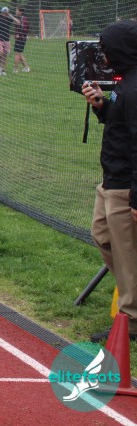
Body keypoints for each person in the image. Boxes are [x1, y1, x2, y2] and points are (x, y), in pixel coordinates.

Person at [83, 20, 137, 342]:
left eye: (106, 49)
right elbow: (118, 121)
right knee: (102, 236)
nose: (102, 56)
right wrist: (101, 106)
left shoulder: (133, 89)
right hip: (110, 178)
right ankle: (133, 295)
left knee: (128, 254)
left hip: (125, 186)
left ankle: (132, 322)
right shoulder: (123, 84)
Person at [0, 6, 19, 76]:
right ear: (2, 12)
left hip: (7, 39)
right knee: (0, 53)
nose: (5, 14)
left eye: (6, 12)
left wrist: (11, 16)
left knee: (5, 55)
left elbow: (18, 23)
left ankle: (3, 70)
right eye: (4, 12)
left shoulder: (9, 19)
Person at [13, 7, 31, 73]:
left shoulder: (22, 19)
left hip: (20, 39)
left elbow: (23, 27)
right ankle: (26, 67)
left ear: (21, 12)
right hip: (22, 38)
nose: (16, 11)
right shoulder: (23, 18)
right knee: (20, 54)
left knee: (17, 53)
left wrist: (19, 34)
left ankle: (15, 69)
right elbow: (28, 27)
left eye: (17, 10)